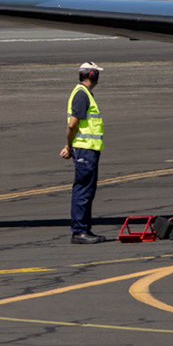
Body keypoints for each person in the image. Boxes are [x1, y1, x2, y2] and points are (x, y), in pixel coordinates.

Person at [61, 61, 108, 244]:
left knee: (87, 190)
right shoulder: (81, 95)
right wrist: (68, 145)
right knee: (83, 190)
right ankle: (79, 231)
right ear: (92, 75)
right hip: (85, 150)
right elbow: (72, 124)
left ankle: (84, 229)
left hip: (88, 149)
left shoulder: (84, 93)